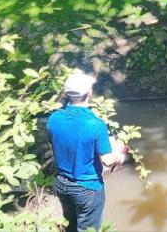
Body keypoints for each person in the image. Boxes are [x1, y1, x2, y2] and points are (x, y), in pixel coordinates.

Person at [47, 71, 125, 232]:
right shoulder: (96, 124)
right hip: (87, 188)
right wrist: (120, 156)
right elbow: (107, 160)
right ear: (89, 93)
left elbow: (56, 143)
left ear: (66, 94)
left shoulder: (54, 118)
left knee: (71, 224)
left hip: (62, 184)